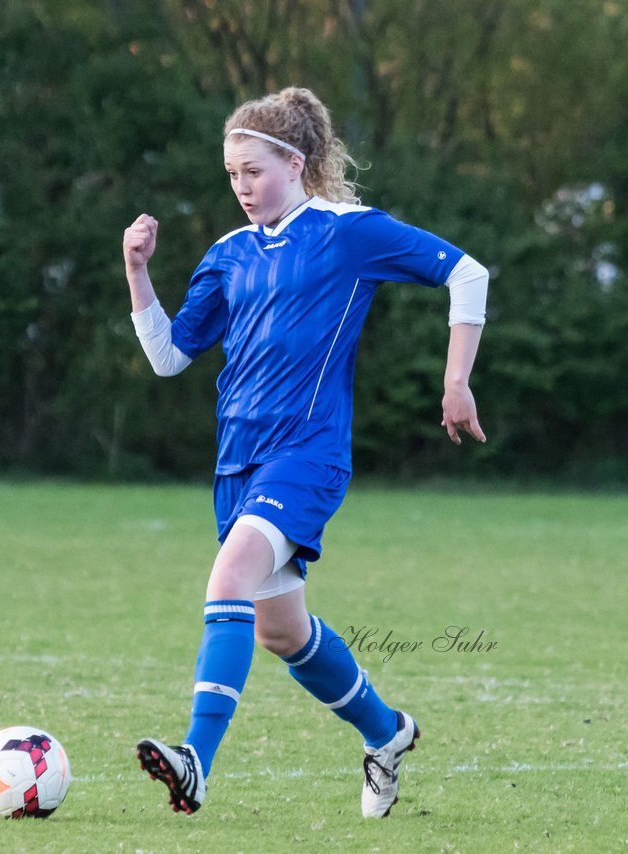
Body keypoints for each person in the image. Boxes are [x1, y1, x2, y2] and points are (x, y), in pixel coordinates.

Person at [122, 87, 488, 819]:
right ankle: (388, 735)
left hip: (308, 454)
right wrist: (137, 272)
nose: (242, 187)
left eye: (254, 171)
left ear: (295, 162)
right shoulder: (228, 255)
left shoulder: (345, 232)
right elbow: (168, 358)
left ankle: (196, 759)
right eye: (232, 175)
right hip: (237, 464)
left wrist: (457, 381)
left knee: (227, 575)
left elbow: (467, 272)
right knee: (281, 631)